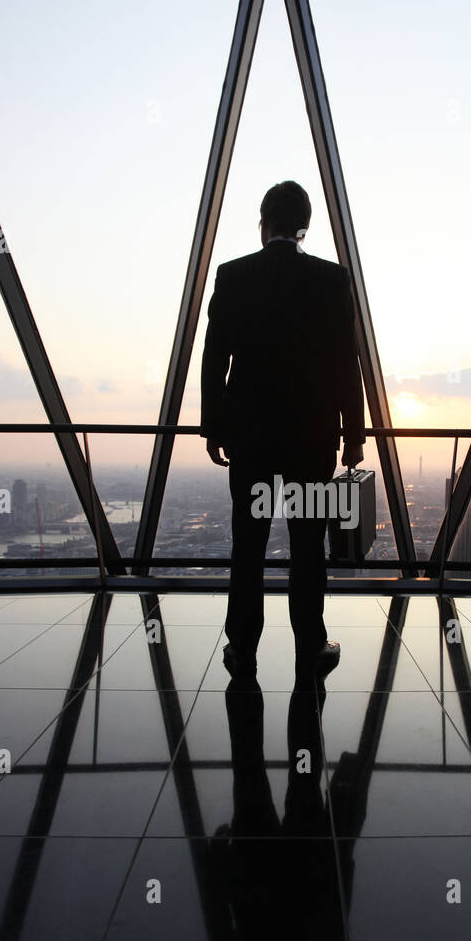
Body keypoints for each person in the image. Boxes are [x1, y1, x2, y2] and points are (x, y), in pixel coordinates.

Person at [200, 180, 365, 683]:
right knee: (307, 545)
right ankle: (311, 645)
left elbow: (214, 360)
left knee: (247, 545)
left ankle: (241, 648)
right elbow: (346, 365)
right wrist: (353, 435)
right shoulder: (331, 281)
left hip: (249, 437)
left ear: (263, 222)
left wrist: (215, 427)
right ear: (304, 227)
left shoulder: (234, 276)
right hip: (310, 438)